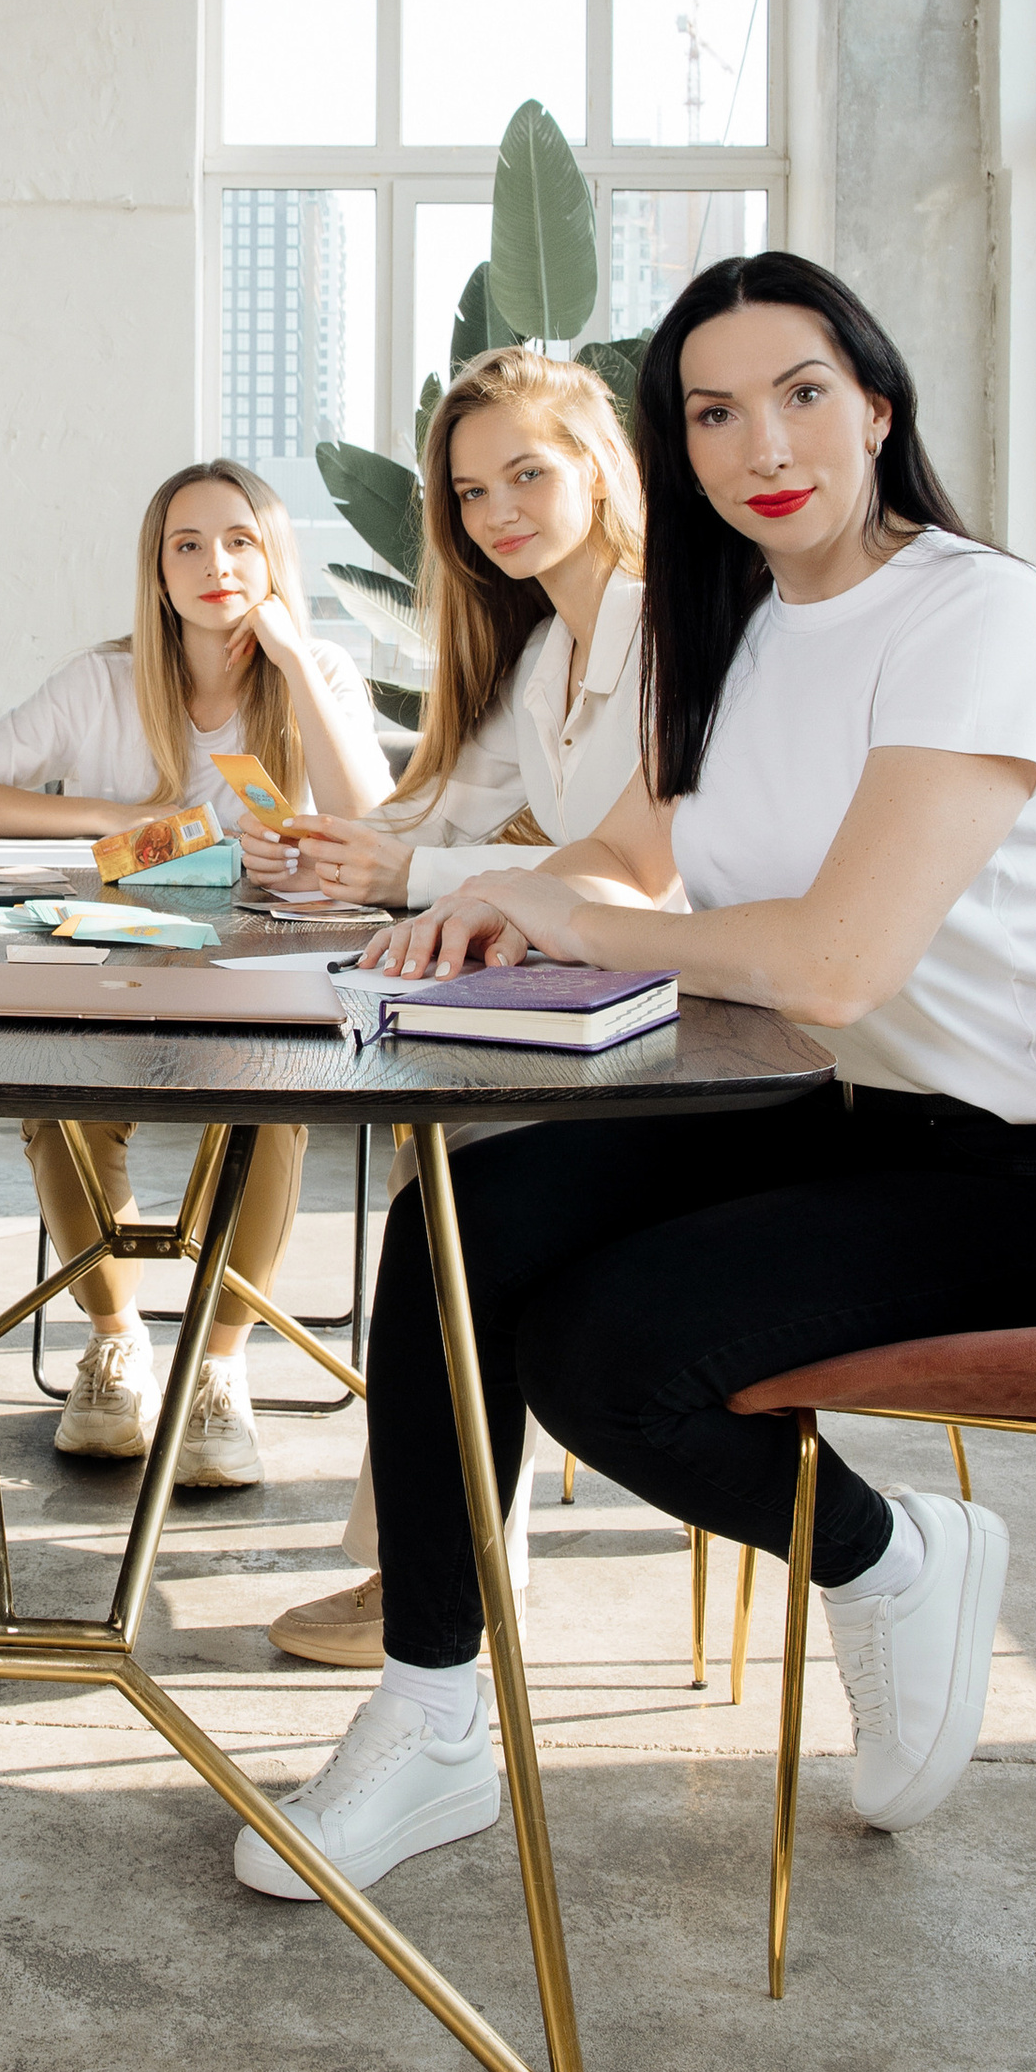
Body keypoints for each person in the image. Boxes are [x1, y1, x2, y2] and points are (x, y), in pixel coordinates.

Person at [232, 251, 1036, 1908]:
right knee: (465, 1218)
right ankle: (435, 1711)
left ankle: (892, 1559)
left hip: (1033, 1162)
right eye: (713, 413)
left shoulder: (979, 613)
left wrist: (568, 908)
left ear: (876, 405)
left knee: (610, 1358)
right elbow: (626, 847)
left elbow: (831, 963)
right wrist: (483, 900)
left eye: (801, 392)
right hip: (828, 1109)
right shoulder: (726, 629)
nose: (760, 442)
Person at [241, 347, 651, 1664]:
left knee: (456, 1196)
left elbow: (655, 871)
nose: (498, 514)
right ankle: (425, 1564)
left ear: (600, 465)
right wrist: (329, 849)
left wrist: (413, 869)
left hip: (688, 1017)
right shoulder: (547, 661)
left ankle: (446, 1578)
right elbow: (425, 821)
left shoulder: (661, 629)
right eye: (472, 494)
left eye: (528, 473)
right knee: (446, 1172)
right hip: (610, 991)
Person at [0, 459, 393, 1486]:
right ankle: (116, 1338)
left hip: (263, 970)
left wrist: (289, 665)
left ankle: (219, 1365)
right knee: (54, 1095)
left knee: (271, 1099)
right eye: (186, 543)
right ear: (157, 567)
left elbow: (372, 825)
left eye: (238, 539)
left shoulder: (316, 671)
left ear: (274, 554)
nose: (213, 563)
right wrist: (110, 818)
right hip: (111, 959)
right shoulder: (103, 679)